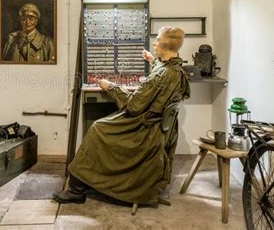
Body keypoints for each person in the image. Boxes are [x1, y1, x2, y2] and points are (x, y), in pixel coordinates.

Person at [53, 26, 190, 205]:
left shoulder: (160, 76)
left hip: (143, 131)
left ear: (164, 45)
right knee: (101, 126)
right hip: (157, 128)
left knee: (97, 128)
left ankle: (76, 189)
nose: (154, 43)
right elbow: (163, 73)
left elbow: (133, 105)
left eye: (157, 40)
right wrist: (152, 60)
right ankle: (88, 181)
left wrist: (111, 86)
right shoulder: (177, 70)